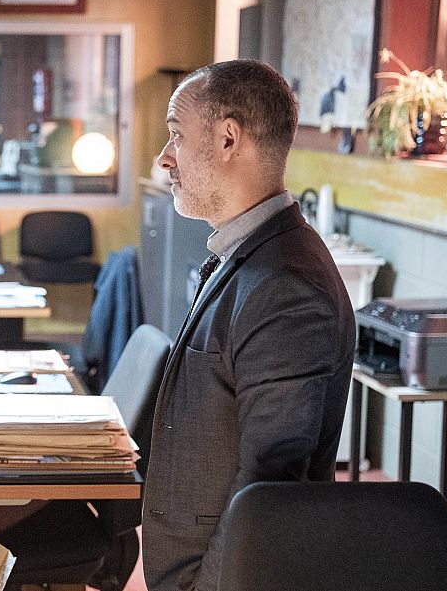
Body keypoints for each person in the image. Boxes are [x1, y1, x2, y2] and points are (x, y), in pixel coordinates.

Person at [142, 60, 356, 591]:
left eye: (176, 135)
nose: (164, 157)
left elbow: (269, 490)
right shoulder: (250, 255)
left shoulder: (286, 285)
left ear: (228, 139)